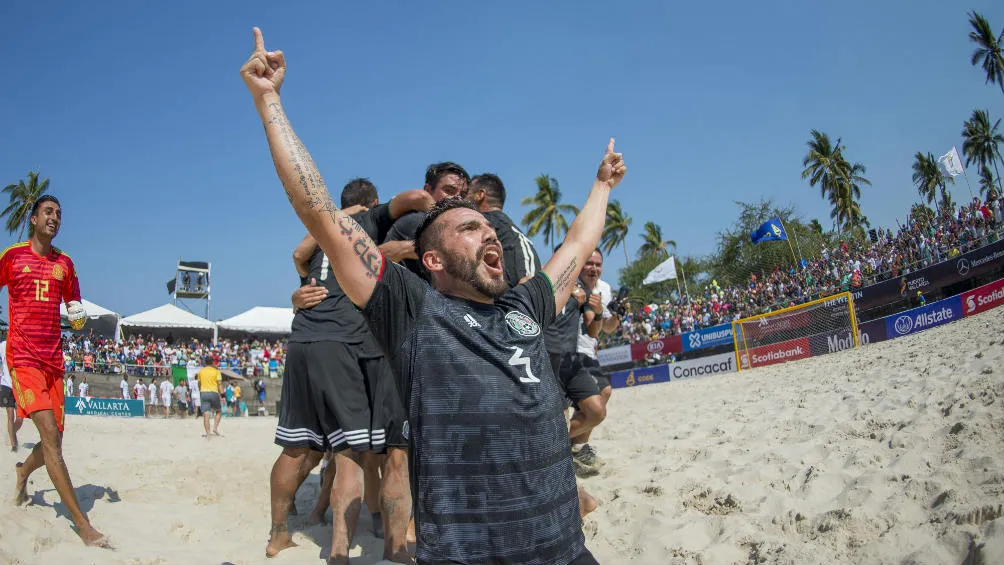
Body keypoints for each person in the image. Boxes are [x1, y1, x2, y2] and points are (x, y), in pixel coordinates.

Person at [241, 29, 623, 562]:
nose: (489, 232)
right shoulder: (415, 314)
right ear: (433, 261)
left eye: (487, 226)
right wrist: (270, 101)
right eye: (468, 227)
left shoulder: (526, 306)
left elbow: (579, 243)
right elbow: (319, 212)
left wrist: (603, 185)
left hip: (568, 552)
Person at [266, 177, 429, 563]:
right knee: (357, 451)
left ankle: (278, 536)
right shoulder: (366, 222)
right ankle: (345, 549)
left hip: (303, 339)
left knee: (299, 447)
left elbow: (296, 254)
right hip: (344, 342)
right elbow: (411, 199)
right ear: (370, 203)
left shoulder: (323, 234)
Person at [0, 195, 108, 547]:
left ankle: (21, 473)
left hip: (54, 363)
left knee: (54, 442)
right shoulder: (12, 257)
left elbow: (73, 305)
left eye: (59, 214)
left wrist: (77, 316)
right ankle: (83, 526)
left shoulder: (65, 263)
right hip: (23, 358)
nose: (55, 218)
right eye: (49, 212)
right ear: (33, 219)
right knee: (49, 435)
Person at [572, 249, 620, 467]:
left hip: (588, 352)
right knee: (589, 407)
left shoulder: (605, 288)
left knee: (604, 393)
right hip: (567, 352)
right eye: (589, 263)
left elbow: (607, 329)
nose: (594, 268)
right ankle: (567, 446)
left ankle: (577, 447)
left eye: (598, 264)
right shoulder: (570, 285)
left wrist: (618, 314)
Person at [469, 173, 542, 288]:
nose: (460, 199)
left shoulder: (485, 222)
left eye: (465, 194)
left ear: (479, 195)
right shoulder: (511, 231)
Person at [1, 337, 24, 451]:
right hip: (6, 385)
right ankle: (13, 445)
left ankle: (11, 434)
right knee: (10, 416)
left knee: (20, 418)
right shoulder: (3, 345)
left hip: (19, 386)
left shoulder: (21, 345)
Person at [196, 357, 223, 438]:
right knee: (218, 411)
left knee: (206, 414)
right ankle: (215, 428)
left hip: (203, 392)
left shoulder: (201, 372)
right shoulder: (216, 371)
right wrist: (223, 395)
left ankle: (208, 433)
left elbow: (199, 384)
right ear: (212, 363)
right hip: (214, 392)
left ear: (205, 363)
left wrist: (200, 390)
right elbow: (219, 384)